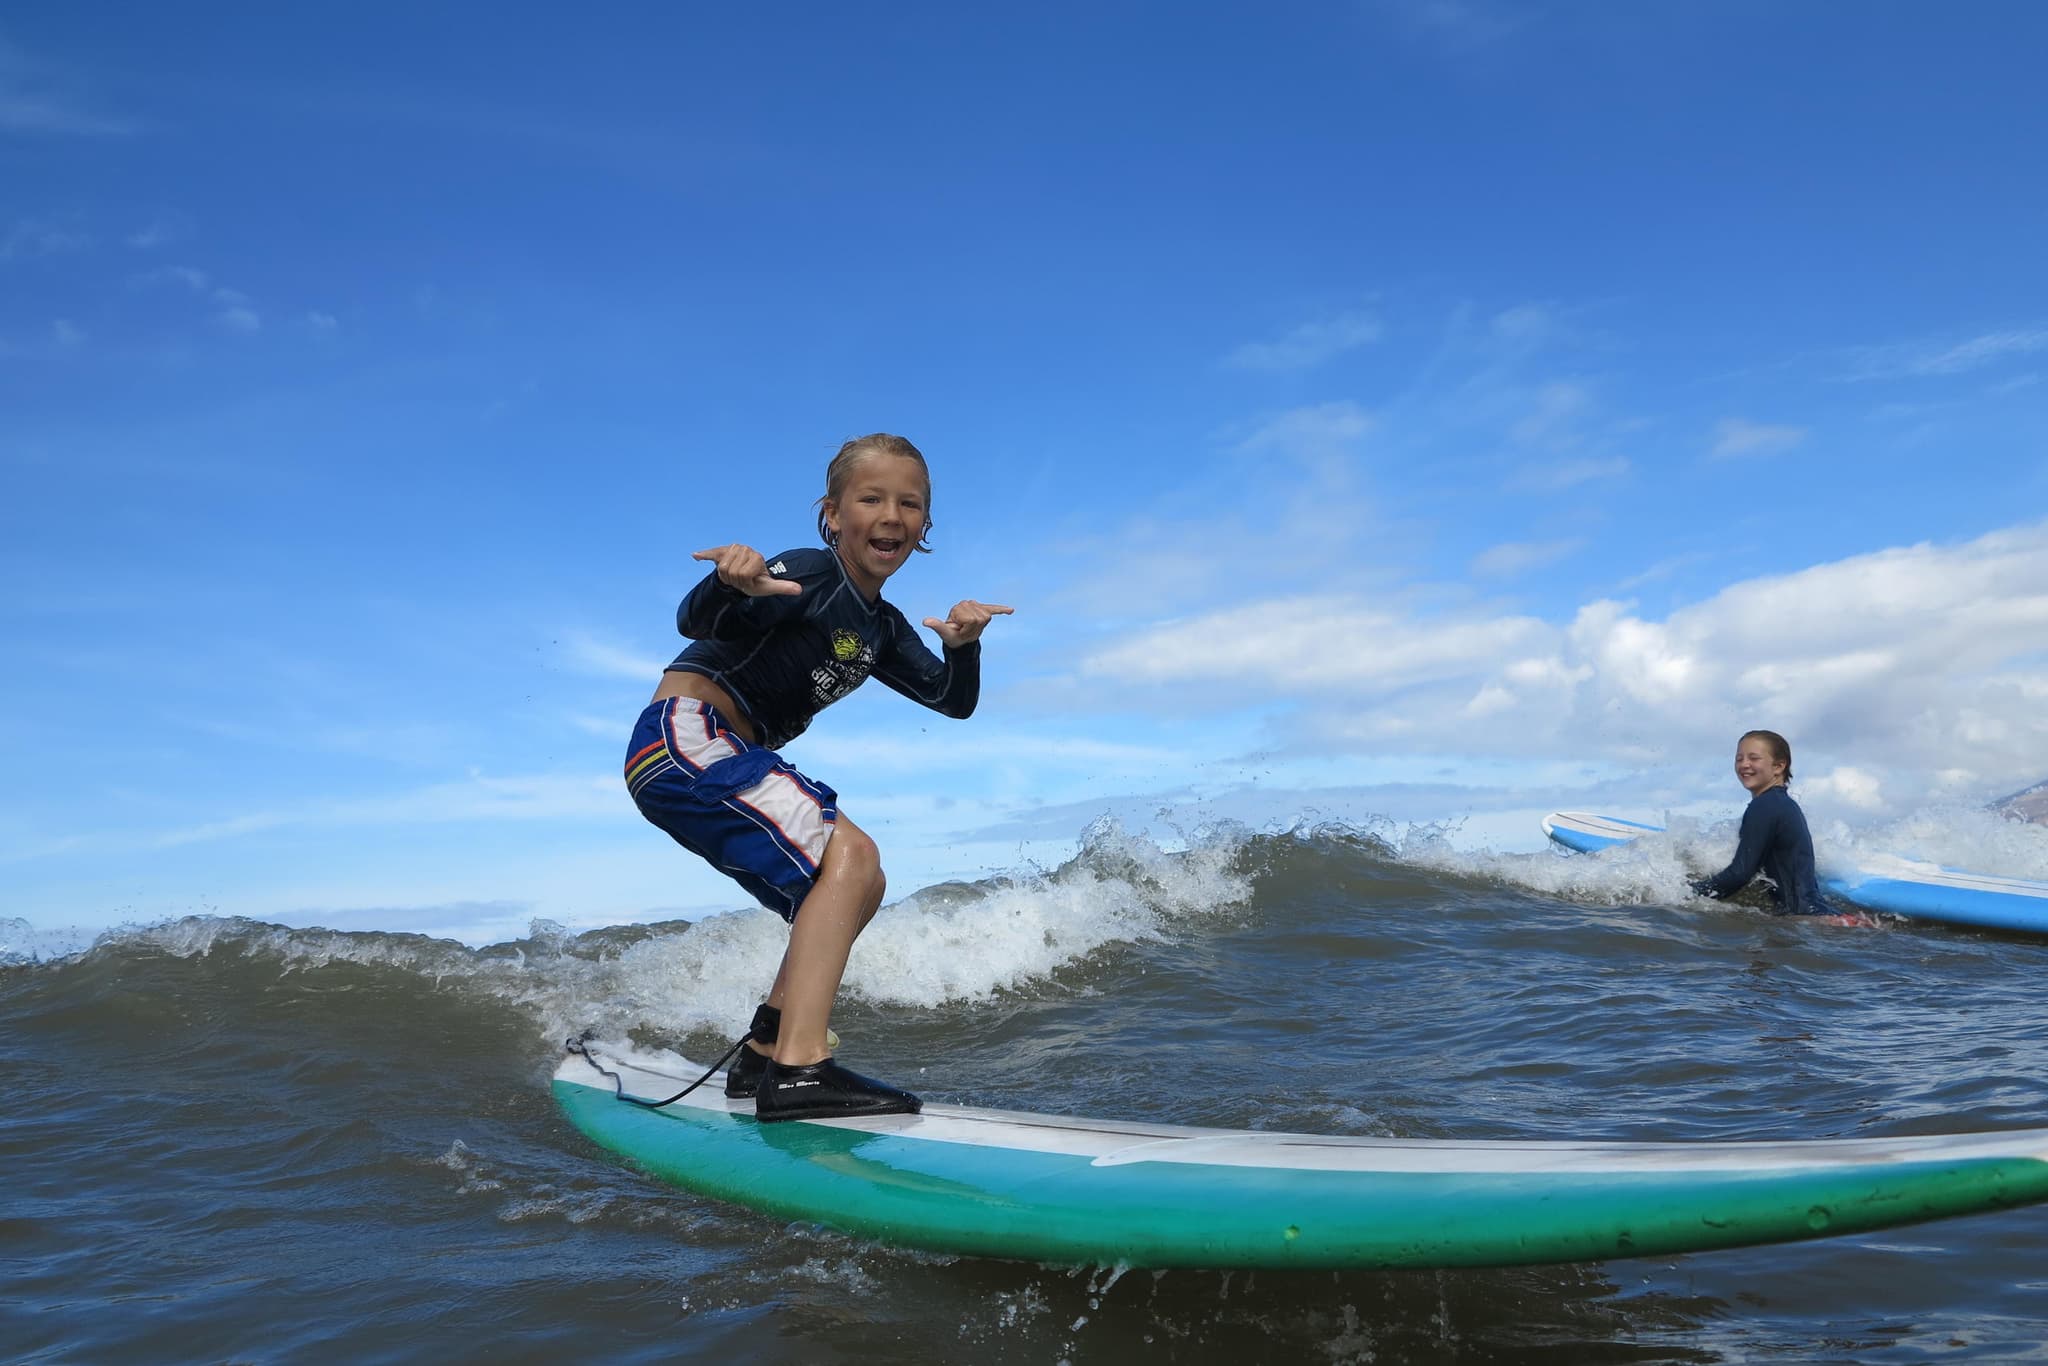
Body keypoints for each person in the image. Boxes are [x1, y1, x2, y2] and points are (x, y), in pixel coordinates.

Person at [623, 433, 1011, 1121]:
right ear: (832, 514)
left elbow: (951, 702)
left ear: (924, 527)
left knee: (861, 884)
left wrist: (966, 648)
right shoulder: (807, 574)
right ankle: (800, 1070)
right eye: (871, 499)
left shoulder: (881, 629)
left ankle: (767, 1051)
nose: (891, 514)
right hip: (684, 736)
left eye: (910, 503)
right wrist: (727, 582)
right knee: (853, 856)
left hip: (720, 754)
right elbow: (700, 619)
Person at [1689, 729, 1837, 916]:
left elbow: (1740, 874)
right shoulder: (1783, 804)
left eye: (1754, 758)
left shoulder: (1765, 806)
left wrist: (1684, 893)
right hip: (1816, 915)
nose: (1744, 764)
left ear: (1778, 766)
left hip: (1803, 919)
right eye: (1739, 758)